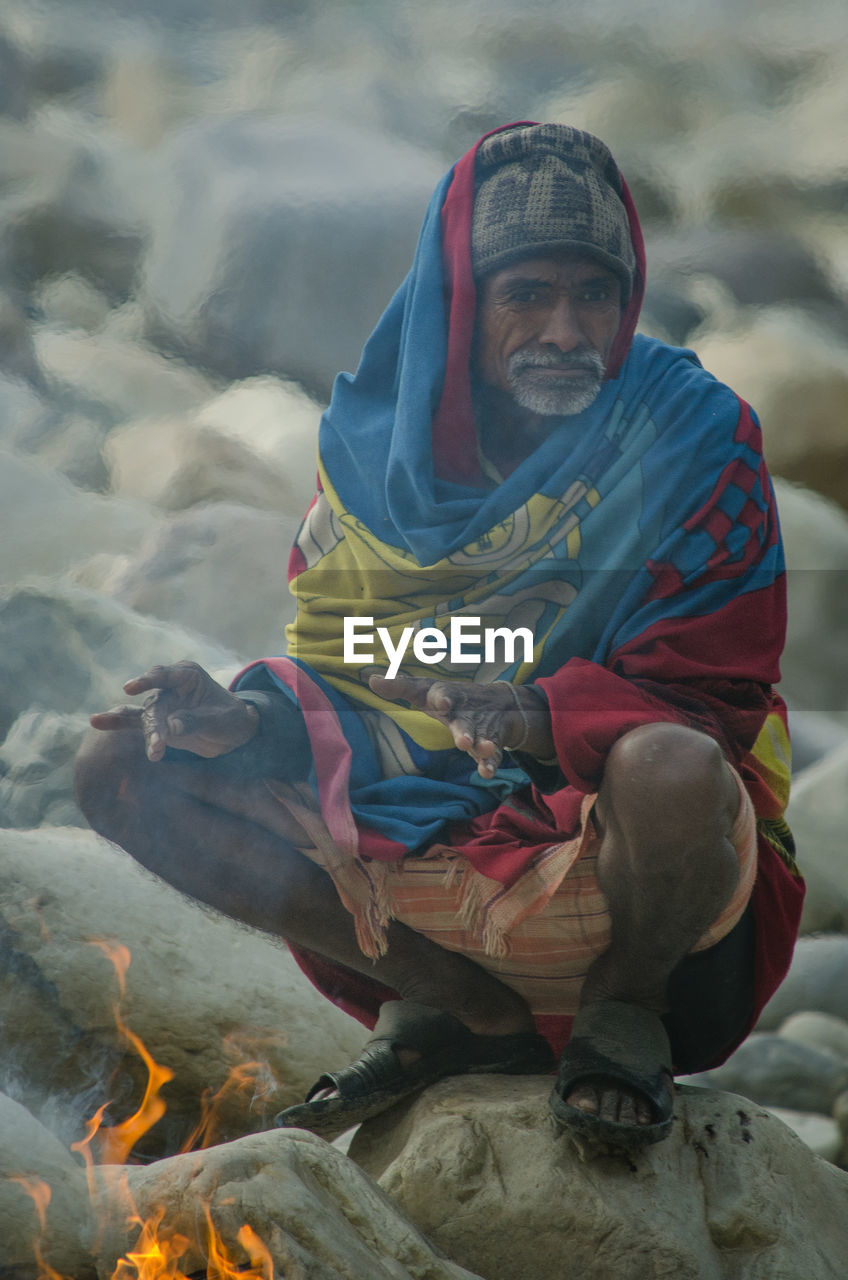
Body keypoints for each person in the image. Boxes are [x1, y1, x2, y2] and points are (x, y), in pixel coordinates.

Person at [75, 123, 804, 1154]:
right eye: (526, 294)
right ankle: (454, 1007)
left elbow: (714, 692)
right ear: (462, 303)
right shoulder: (377, 452)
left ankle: (619, 1016)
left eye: (593, 293)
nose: (564, 328)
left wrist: (535, 711)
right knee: (121, 763)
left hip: (651, 896)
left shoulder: (689, 435)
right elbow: (354, 683)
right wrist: (238, 720)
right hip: (421, 891)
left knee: (675, 765)